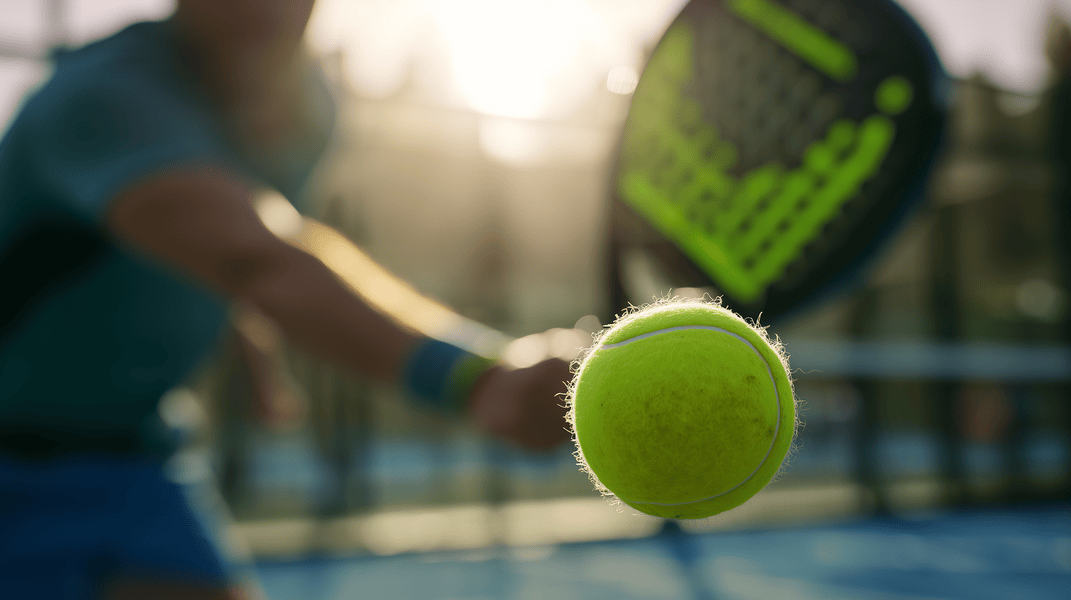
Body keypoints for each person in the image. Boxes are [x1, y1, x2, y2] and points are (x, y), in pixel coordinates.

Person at [0, 1, 573, 598]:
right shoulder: (101, 98)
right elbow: (251, 255)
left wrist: (248, 343)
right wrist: (475, 377)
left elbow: (220, 249)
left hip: (130, 452)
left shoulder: (306, 104)